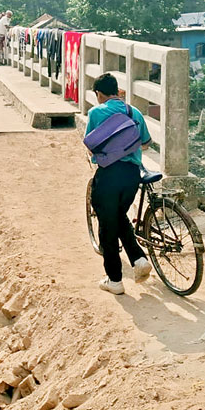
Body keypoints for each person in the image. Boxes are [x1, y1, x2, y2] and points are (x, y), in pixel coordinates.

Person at [85, 73, 153, 295]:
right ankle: (139, 258)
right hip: (133, 174)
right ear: (117, 90)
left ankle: (114, 280)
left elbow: (91, 143)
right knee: (118, 216)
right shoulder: (134, 112)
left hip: (109, 175)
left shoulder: (96, 112)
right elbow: (146, 143)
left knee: (106, 223)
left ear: (99, 94)